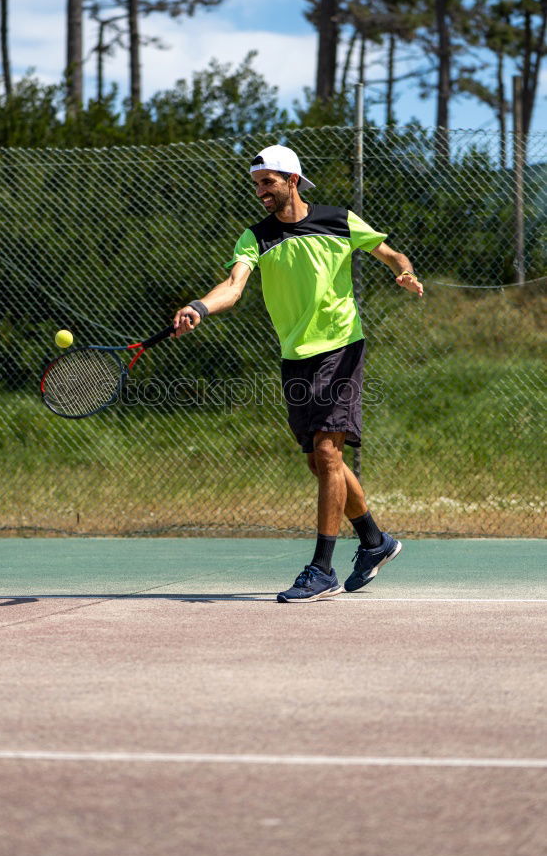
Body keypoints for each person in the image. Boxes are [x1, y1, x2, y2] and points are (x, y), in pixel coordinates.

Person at [173, 144, 423, 603]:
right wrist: (198, 307)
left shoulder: (338, 219)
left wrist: (404, 273)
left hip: (342, 345)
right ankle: (374, 542)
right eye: (256, 184)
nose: (260, 192)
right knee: (318, 462)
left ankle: (321, 570)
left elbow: (390, 254)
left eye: (267, 182)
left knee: (328, 454)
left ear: (291, 179)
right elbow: (233, 286)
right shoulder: (256, 237)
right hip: (296, 355)